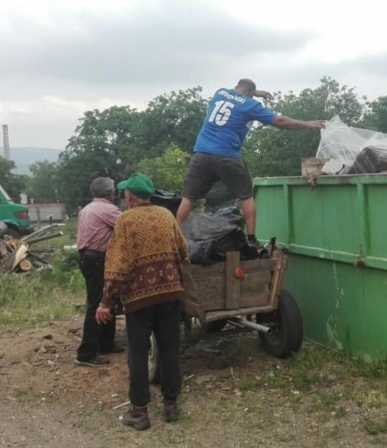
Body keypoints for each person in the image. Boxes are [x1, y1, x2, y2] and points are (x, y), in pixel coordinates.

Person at [175, 78, 325, 247]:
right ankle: (252, 240)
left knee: (188, 198)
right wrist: (308, 124)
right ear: (251, 94)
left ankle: (173, 236)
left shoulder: (220, 92)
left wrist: (255, 92)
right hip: (227, 156)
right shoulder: (250, 105)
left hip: (201, 154)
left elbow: (238, 94)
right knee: (246, 196)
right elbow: (280, 121)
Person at [95, 173, 189, 431]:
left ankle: (140, 412)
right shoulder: (166, 216)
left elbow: (117, 265)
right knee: (170, 349)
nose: (124, 196)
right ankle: (171, 406)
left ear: (130, 196)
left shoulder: (125, 221)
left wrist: (105, 301)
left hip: (138, 298)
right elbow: (182, 249)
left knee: (138, 353)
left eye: (126, 193)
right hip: (170, 294)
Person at [75, 177, 122, 367]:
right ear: (111, 192)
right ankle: (86, 353)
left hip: (88, 258)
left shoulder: (87, 209)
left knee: (108, 295)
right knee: (99, 302)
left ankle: (106, 343)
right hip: (97, 259)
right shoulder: (108, 210)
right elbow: (129, 226)